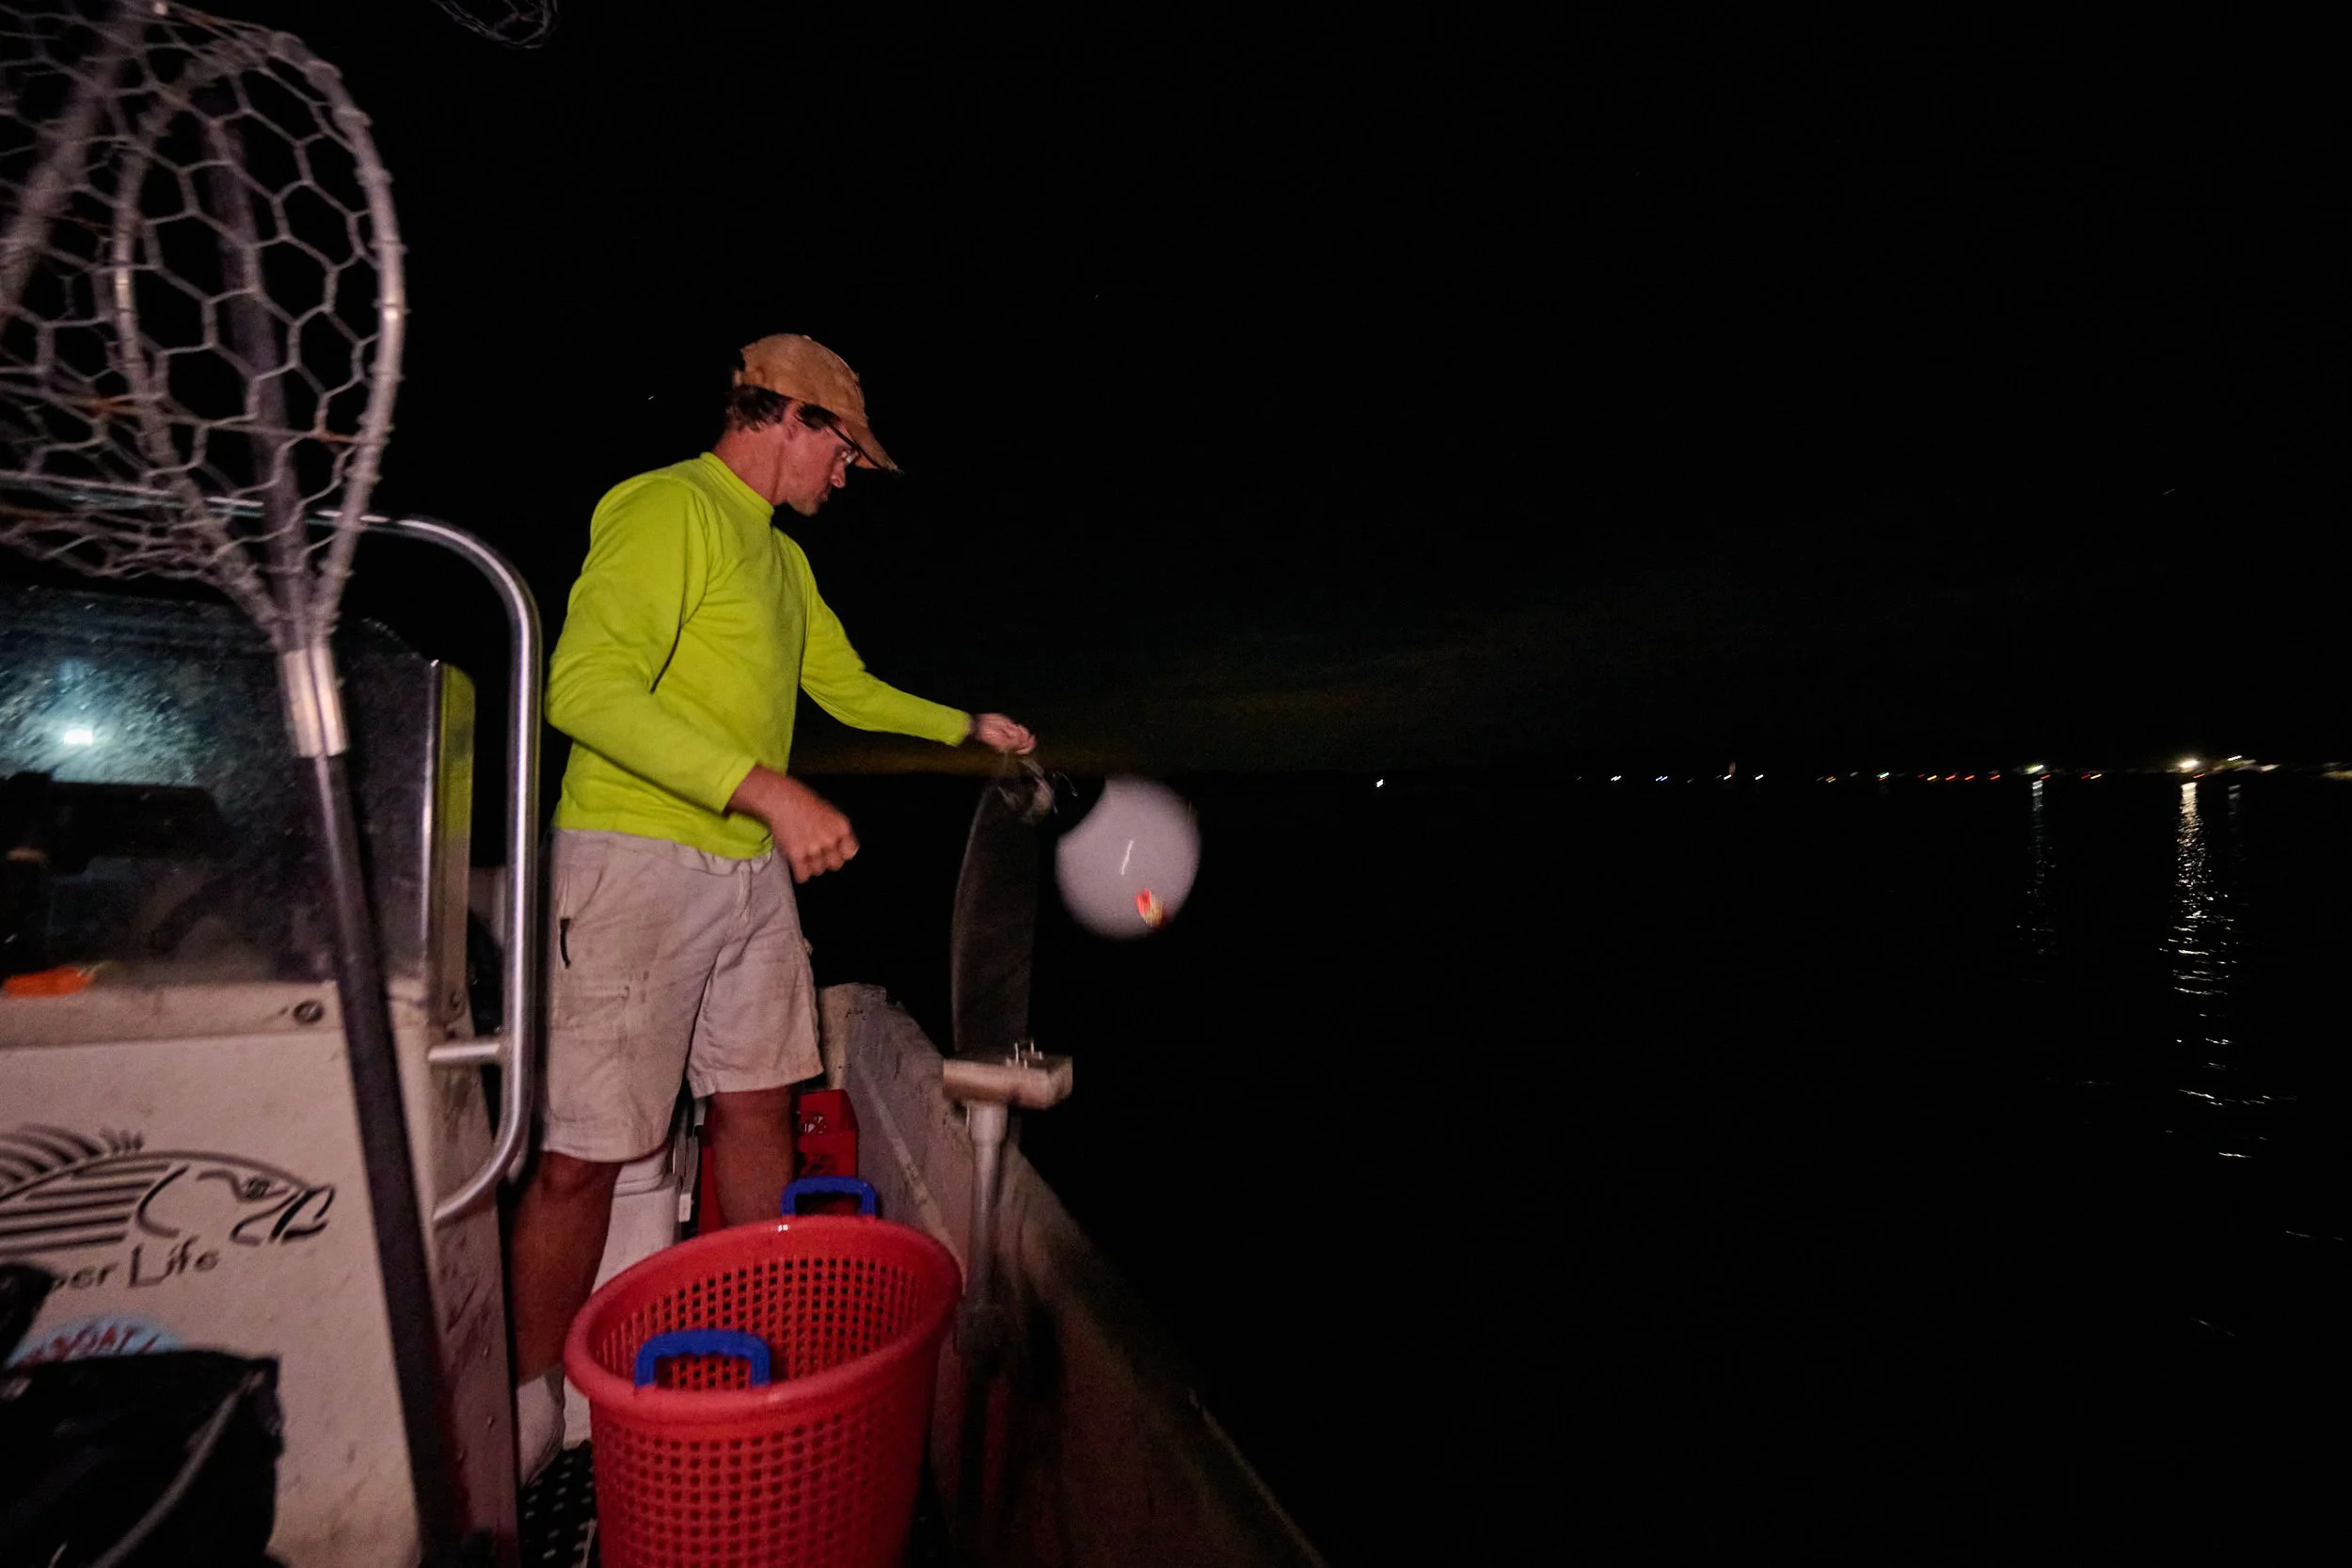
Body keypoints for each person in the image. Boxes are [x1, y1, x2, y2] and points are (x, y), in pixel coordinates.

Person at [505, 333, 1035, 1477]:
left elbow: (840, 684)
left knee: (759, 1103)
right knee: (586, 1153)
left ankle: (735, 1341)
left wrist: (963, 723)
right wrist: (764, 787)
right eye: (843, 452)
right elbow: (583, 686)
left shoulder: (782, 563)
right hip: (634, 859)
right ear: (787, 419)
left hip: (747, 870)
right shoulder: (665, 508)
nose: (846, 477)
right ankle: (526, 1399)